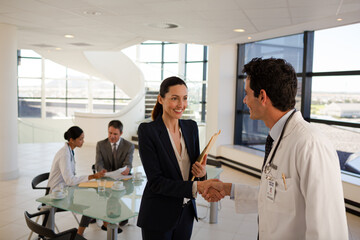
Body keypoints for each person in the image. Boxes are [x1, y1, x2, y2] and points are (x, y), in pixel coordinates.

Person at [199, 57, 349, 239]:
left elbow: (328, 230)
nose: (245, 100)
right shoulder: (278, 137)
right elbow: (275, 196)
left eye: (247, 93)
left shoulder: (310, 144)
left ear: (262, 96)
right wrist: (228, 189)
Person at [137, 76, 215, 240]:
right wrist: (195, 187)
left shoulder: (191, 127)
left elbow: (195, 171)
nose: (181, 105)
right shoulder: (148, 131)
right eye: (174, 98)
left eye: (185, 98)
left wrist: (201, 173)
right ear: (161, 99)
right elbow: (156, 182)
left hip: (186, 213)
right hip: (157, 214)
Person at [47, 126, 106, 236]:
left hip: (65, 189)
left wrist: (91, 178)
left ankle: (102, 223)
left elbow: (70, 179)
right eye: (80, 139)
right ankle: (80, 234)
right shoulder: (64, 154)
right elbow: (70, 180)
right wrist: (92, 176)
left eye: (83, 138)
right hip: (57, 194)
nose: (83, 141)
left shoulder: (69, 151)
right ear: (71, 140)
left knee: (95, 194)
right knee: (93, 200)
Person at [94, 120, 135, 232]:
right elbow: (98, 163)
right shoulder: (100, 145)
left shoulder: (129, 146)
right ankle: (106, 218)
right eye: (110, 133)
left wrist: (127, 169)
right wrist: (101, 170)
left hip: (121, 179)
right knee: (104, 193)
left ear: (121, 133)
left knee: (123, 191)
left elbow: (128, 163)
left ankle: (122, 215)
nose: (112, 136)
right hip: (105, 178)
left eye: (115, 134)